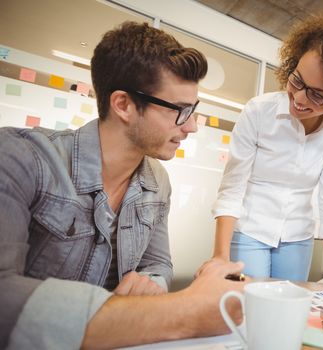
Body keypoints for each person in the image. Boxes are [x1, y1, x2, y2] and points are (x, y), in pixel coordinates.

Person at [0, 22, 246, 349]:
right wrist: (185, 309)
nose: (191, 127)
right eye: (180, 111)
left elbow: (158, 265)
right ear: (123, 105)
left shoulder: (158, 182)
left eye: (194, 110)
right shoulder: (20, 158)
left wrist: (151, 283)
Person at [197, 14, 323, 289]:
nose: (299, 99)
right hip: (250, 228)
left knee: (288, 303)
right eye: (297, 81)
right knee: (248, 303)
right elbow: (233, 187)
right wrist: (220, 255)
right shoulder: (258, 111)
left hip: (298, 236)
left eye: (317, 94)